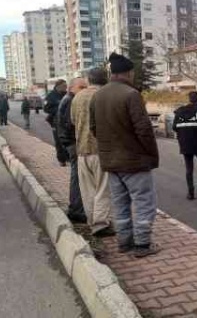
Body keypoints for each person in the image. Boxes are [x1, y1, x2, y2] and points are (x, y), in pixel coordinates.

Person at [90, 52, 160, 258]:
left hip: (111, 162)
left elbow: (94, 128)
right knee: (144, 202)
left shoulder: (98, 95)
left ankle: (124, 242)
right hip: (134, 161)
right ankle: (143, 244)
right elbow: (144, 130)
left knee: (120, 204)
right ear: (129, 73)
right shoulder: (131, 94)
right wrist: (150, 153)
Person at [71, 68, 114, 236]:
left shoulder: (77, 97)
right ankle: (101, 224)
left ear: (89, 79)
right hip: (101, 150)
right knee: (103, 189)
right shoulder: (105, 95)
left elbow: (73, 121)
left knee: (87, 190)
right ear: (106, 79)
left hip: (82, 150)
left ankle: (92, 222)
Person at [57, 78, 89, 224]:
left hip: (69, 142)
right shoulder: (71, 100)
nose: (84, 90)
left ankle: (76, 208)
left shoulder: (68, 98)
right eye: (81, 87)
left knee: (77, 176)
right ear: (71, 88)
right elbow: (71, 124)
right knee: (77, 177)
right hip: (73, 143)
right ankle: (76, 210)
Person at [45, 79, 70, 166]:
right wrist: (59, 110)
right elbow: (46, 109)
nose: (66, 88)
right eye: (64, 86)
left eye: (66, 86)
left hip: (66, 121)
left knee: (68, 140)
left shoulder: (67, 94)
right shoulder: (51, 96)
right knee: (58, 141)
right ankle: (61, 160)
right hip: (56, 121)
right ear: (58, 86)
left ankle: (68, 157)